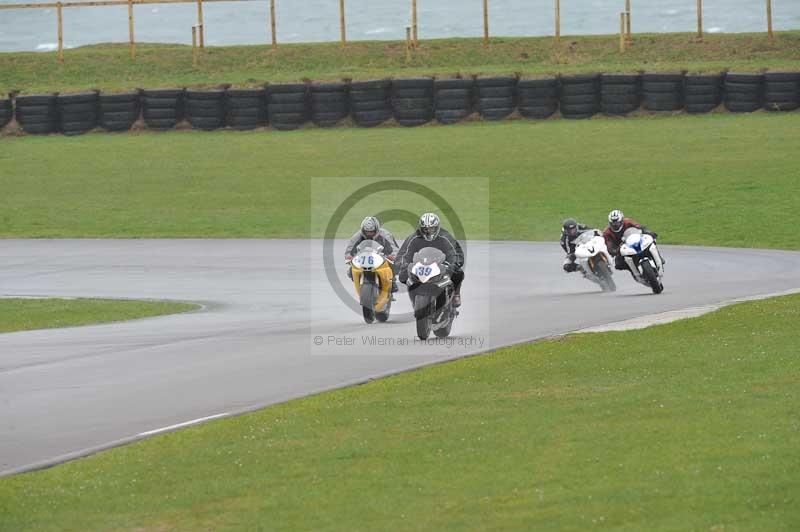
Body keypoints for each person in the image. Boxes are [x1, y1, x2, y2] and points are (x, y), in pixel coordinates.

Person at [397, 213, 465, 307]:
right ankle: (415, 300)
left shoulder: (445, 236)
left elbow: (456, 253)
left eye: (431, 228)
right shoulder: (414, 238)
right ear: (421, 228)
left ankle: (456, 295)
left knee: (458, 273)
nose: (428, 231)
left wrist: (453, 264)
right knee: (402, 276)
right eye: (425, 229)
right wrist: (403, 263)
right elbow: (405, 253)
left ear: (437, 227)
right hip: (421, 265)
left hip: (440, 264)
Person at [344, 217, 399, 291]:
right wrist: (349, 257)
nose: (369, 233)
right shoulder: (357, 236)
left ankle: (393, 281)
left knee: (393, 265)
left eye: (371, 231)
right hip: (363, 258)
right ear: (363, 230)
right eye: (367, 231)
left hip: (382, 257)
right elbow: (349, 250)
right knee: (351, 270)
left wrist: (393, 256)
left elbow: (394, 248)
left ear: (376, 230)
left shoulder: (386, 235)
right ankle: (359, 282)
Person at [603, 209, 663, 274]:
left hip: (635, 241)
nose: (615, 225)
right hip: (622, 249)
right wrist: (615, 250)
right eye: (613, 223)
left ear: (622, 221)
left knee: (651, 240)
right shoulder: (607, 233)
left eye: (617, 223)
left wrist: (649, 232)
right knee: (618, 264)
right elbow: (610, 247)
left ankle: (658, 258)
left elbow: (639, 227)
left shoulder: (628, 222)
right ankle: (634, 271)